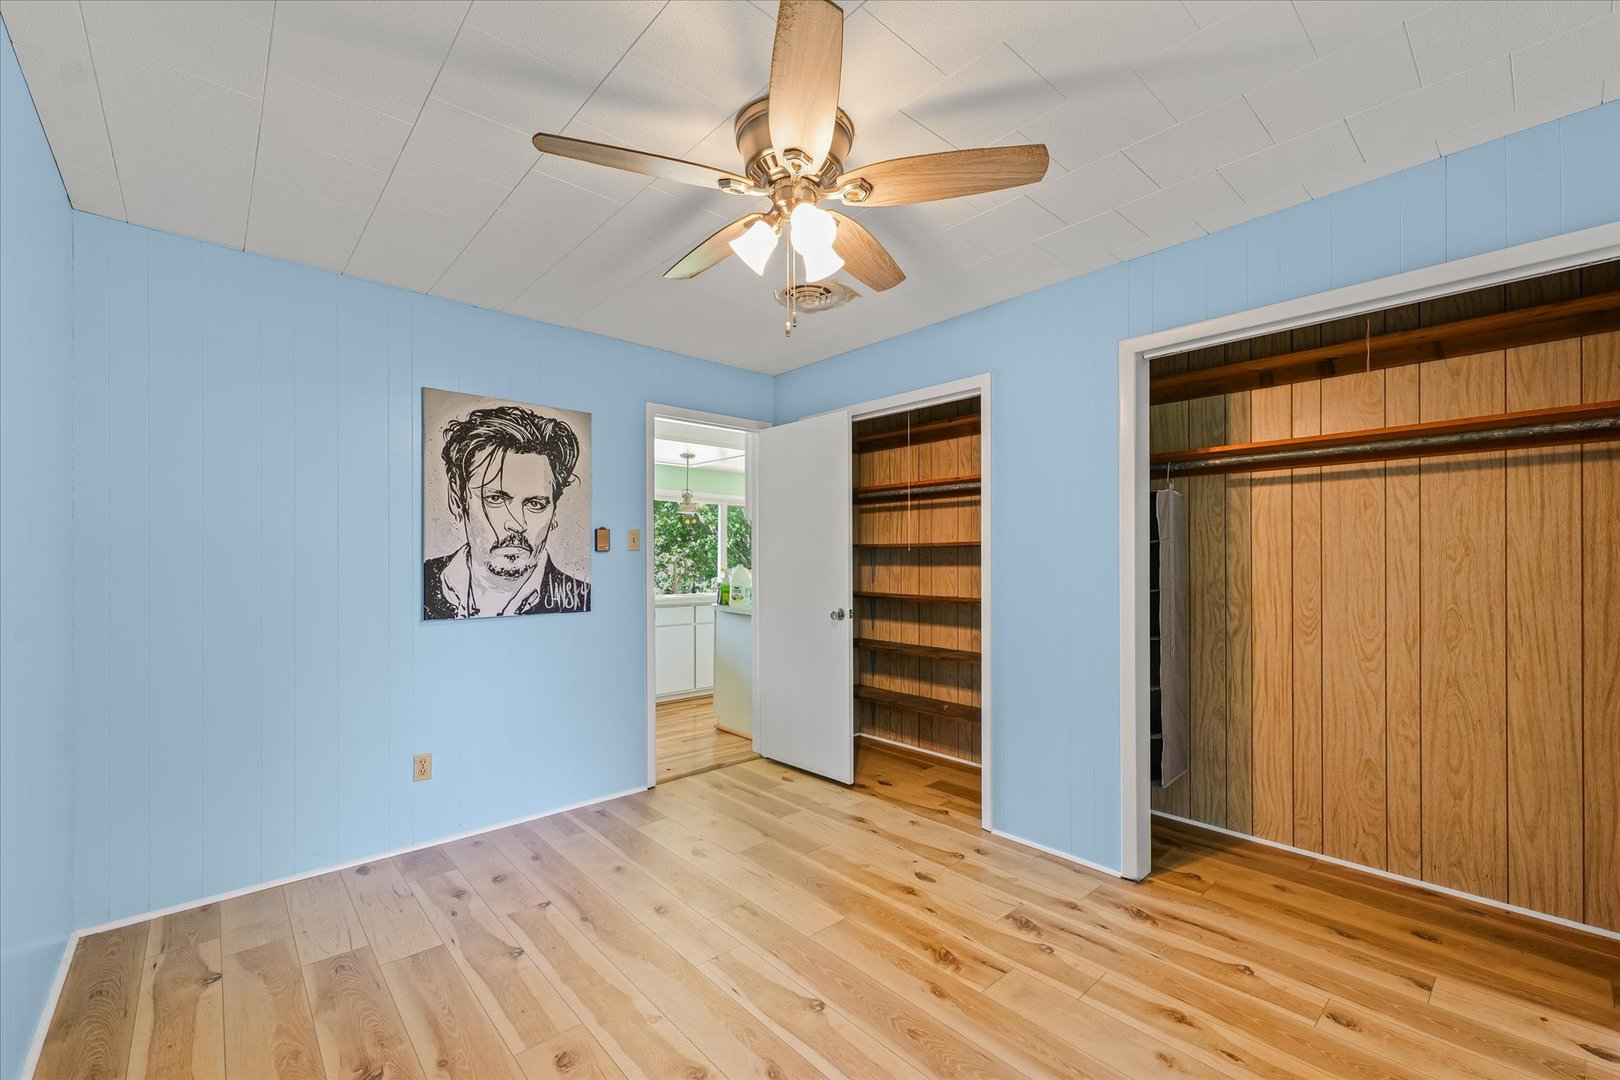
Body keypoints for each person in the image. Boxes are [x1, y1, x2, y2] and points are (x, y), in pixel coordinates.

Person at [424, 405, 590, 618]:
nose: (517, 524)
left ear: (554, 512)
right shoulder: (418, 582)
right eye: (496, 499)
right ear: (457, 499)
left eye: (535, 504)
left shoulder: (580, 597)